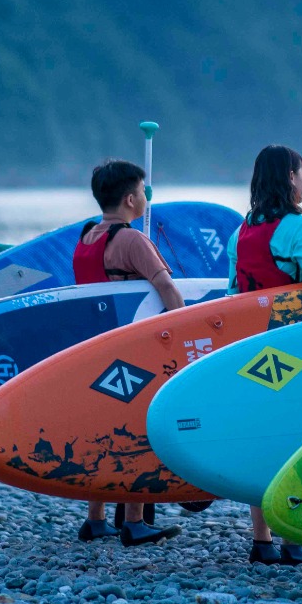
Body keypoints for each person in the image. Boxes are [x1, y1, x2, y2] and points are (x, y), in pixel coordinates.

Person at [227, 145, 302, 568]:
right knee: (297, 438)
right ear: (291, 178)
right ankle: (293, 541)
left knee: (263, 435)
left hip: (253, 347)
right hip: (296, 348)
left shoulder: (241, 231)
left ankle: (262, 541)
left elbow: (234, 293)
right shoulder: (298, 228)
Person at [73, 159, 184, 547]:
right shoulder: (132, 241)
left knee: (103, 428)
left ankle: (96, 518)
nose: (144, 197)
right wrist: (186, 328)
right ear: (130, 197)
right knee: (135, 428)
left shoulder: (86, 238)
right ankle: (135, 521)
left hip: (94, 348)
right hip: (130, 350)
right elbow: (167, 288)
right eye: (141, 191)